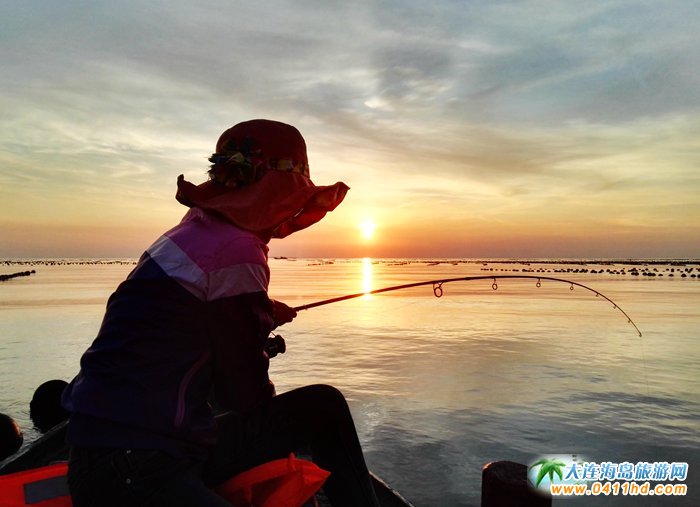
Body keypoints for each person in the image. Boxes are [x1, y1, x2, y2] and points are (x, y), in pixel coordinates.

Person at [62, 119, 380, 506]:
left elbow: (182, 315)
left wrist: (260, 312)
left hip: (104, 450)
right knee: (323, 408)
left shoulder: (189, 233)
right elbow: (242, 394)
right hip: (138, 466)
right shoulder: (237, 250)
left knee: (319, 407)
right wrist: (256, 335)